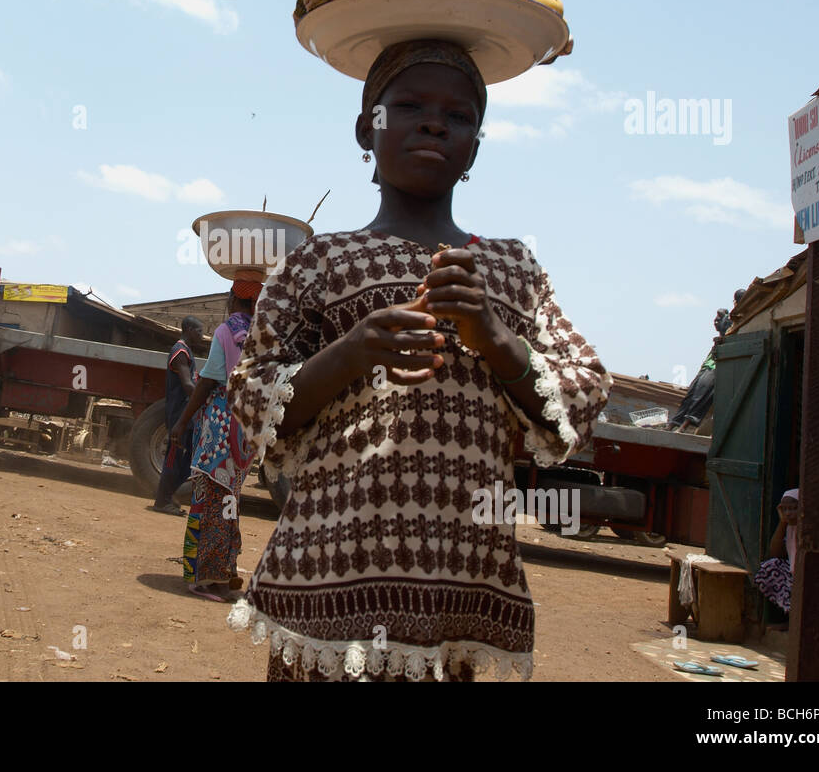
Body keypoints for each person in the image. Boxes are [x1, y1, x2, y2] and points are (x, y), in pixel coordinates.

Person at [226, 40, 612, 681]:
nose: (435, 123)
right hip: (331, 575)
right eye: (408, 106)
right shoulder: (319, 263)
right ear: (365, 129)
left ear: (476, 148)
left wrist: (491, 332)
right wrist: (354, 351)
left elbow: (582, 393)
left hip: (456, 587)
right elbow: (253, 396)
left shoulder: (511, 269)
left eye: (459, 116)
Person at [172, 286, 259, 601]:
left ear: (235, 299)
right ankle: (224, 572)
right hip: (245, 430)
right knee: (230, 501)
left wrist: (182, 422)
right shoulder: (262, 333)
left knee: (209, 498)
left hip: (221, 427)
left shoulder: (226, 332)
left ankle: (206, 577)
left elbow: (208, 380)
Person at [668, 288, 745, 432]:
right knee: (692, 392)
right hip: (711, 361)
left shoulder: (743, 317)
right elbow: (721, 330)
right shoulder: (731, 317)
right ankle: (673, 424)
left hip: (720, 363)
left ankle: (684, 426)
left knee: (702, 393)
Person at [150, 316, 205, 515]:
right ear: (189, 329)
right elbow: (188, 385)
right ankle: (161, 501)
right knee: (174, 458)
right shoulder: (180, 351)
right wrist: (204, 398)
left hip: (186, 415)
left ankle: (167, 495)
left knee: (187, 458)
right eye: (199, 331)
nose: (202, 335)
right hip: (179, 415)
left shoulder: (187, 352)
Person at [754, 489, 819, 616]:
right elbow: (774, 552)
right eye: (784, 509)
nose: (788, 513)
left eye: (793, 508)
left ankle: (800, 620)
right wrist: (782, 523)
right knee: (770, 567)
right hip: (797, 571)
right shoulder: (791, 527)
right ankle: (791, 616)